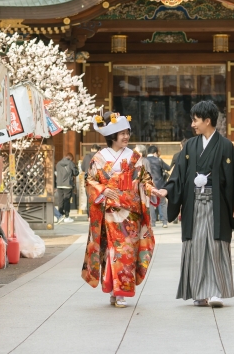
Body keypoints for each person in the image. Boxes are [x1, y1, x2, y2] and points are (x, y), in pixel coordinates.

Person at [162, 100, 234, 308]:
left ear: (207, 120)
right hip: (194, 204)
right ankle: (199, 293)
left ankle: (216, 291)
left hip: (217, 203)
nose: (192, 124)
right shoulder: (190, 146)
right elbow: (179, 174)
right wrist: (167, 189)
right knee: (196, 247)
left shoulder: (226, 145)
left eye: (195, 120)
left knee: (216, 246)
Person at [81, 111, 163, 308]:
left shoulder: (134, 157)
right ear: (112, 136)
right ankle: (115, 291)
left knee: (127, 252)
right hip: (109, 214)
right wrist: (103, 190)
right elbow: (90, 180)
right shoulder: (99, 158)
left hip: (131, 213)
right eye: (122, 133)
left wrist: (153, 191)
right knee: (113, 252)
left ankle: (119, 291)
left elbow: (144, 180)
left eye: (127, 132)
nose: (126, 136)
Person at [145, 145, 171, 228]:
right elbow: (168, 168)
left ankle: (152, 223)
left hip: (149, 185)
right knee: (163, 203)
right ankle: (164, 222)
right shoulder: (159, 160)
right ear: (155, 153)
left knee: (151, 204)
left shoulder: (144, 160)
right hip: (160, 185)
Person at [55, 153, 78, 223]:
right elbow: (76, 173)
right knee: (67, 201)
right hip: (67, 184)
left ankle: (60, 215)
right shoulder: (70, 163)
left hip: (59, 184)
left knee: (60, 200)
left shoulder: (58, 163)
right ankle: (67, 217)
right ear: (70, 158)